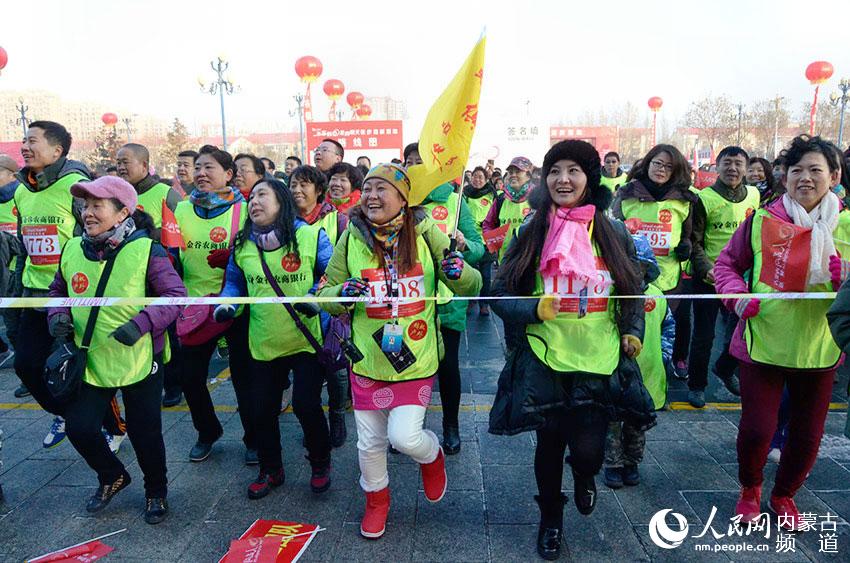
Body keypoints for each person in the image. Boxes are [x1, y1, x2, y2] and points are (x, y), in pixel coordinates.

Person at [488, 140, 649, 561]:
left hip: (599, 357)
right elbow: (499, 293)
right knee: (549, 444)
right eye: (555, 170)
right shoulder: (530, 229)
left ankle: (585, 476)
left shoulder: (612, 231)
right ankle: (550, 519)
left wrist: (633, 331)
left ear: (589, 178)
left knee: (589, 450)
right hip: (546, 358)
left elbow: (632, 290)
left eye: (574, 170)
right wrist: (532, 309)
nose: (563, 179)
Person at [317, 163, 481, 539]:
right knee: (370, 443)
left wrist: (460, 272)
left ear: (404, 198)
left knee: (405, 437)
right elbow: (324, 293)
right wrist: (339, 296)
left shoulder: (426, 232)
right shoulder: (351, 237)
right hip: (367, 360)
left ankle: (431, 454)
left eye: (382, 189)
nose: (372, 196)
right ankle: (377, 501)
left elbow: (472, 284)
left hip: (416, 358)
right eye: (369, 188)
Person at [716, 135, 850, 530]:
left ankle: (784, 494)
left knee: (808, 436)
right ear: (783, 176)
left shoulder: (846, 225)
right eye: (796, 171)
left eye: (815, 170)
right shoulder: (761, 220)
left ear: (834, 176)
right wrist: (736, 296)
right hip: (763, 342)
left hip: (820, 348)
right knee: (758, 429)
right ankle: (750, 489)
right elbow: (726, 266)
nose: (805, 178)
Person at [47, 175, 185, 523]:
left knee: (145, 431)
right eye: (85, 206)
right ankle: (112, 476)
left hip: (140, 357)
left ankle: (156, 491)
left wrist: (140, 324)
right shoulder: (72, 248)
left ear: (123, 212)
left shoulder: (146, 249)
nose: (87, 214)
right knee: (79, 427)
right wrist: (58, 315)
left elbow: (175, 296)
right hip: (91, 357)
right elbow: (57, 291)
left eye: (97, 206)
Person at [215, 179, 334, 498]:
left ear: (282, 200)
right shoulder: (242, 245)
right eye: (251, 197)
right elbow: (234, 284)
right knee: (261, 410)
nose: (254, 201)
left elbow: (332, 275)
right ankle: (272, 469)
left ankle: (321, 463)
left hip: (305, 339)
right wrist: (227, 303)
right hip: (263, 342)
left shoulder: (310, 236)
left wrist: (314, 297)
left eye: (262, 195)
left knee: (306, 405)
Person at [13, 121, 125, 450]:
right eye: (23, 140)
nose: (24, 146)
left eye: (32, 141)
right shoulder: (22, 190)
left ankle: (116, 428)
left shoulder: (76, 186)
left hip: (72, 296)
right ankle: (62, 412)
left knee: (84, 370)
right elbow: (24, 245)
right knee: (26, 365)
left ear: (57, 150)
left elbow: (98, 235)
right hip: (33, 295)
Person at [173, 145, 256, 463]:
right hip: (194, 311)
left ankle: (253, 438)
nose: (201, 174)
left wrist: (236, 260)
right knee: (190, 377)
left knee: (244, 379)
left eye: (208, 167)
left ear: (229, 175)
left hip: (236, 308)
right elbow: (170, 258)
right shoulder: (180, 210)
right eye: (197, 168)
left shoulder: (246, 210)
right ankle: (207, 431)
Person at [686, 146, 759, 408]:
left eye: (738, 164)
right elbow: (694, 242)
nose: (733, 169)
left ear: (746, 168)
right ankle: (696, 385)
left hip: (741, 280)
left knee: (743, 331)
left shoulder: (754, 195)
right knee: (704, 336)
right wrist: (707, 268)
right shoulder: (703, 199)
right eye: (727, 163)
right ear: (717, 166)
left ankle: (725, 368)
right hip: (709, 279)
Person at [420, 171, 485, 454]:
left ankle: (451, 426)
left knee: (447, 367)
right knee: (410, 366)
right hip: (410, 301)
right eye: (411, 163)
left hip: (448, 300)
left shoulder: (457, 202)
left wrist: (464, 245)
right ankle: (411, 427)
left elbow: (479, 248)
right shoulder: (402, 200)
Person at [115, 143, 185, 407]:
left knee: (168, 333)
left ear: (144, 166)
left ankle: (173, 384)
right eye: (118, 162)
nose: (121, 167)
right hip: (126, 278)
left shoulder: (165, 194)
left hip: (159, 276)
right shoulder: (116, 195)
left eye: (126, 162)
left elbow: (180, 234)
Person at [288, 164, 351, 447]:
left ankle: (337, 414)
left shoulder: (338, 220)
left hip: (329, 307)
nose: (297, 190)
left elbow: (345, 262)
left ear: (319, 190)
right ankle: (313, 423)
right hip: (296, 313)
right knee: (307, 373)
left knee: (336, 369)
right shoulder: (283, 222)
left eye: (304, 185)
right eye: (293, 184)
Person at [604, 235, 673, 489]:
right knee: (611, 421)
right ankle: (612, 463)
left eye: (639, 266)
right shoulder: (610, 295)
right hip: (613, 369)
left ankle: (632, 461)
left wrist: (664, 354)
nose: (634, 271)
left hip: (648, 370)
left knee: (636, 423)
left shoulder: (657, 296)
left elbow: (669, 328)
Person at [481, 156, 535, 263]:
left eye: (518, 171)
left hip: (531, 265)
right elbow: (488, 224)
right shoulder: (501, 199)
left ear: (528, 175)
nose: (513, 175)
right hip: (505, 264)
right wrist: (493, 244)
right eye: (510, 172)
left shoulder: (538, 198)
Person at [463, 166, 499, 316]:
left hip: (487, 240)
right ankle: (471, 300)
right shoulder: (464, 194)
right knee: (470, 272)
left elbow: (497, 216)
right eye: (475, 177)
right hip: (470, 240)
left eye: (480, 177)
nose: (477, 180)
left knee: (485, 274)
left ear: (485, 180)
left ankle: (484, 303)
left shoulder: (492, 195)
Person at [0, 155, 22, 371]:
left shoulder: (23, 196)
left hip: (22, 270)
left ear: (12, 174)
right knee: (12, 326)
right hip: (3, 274)